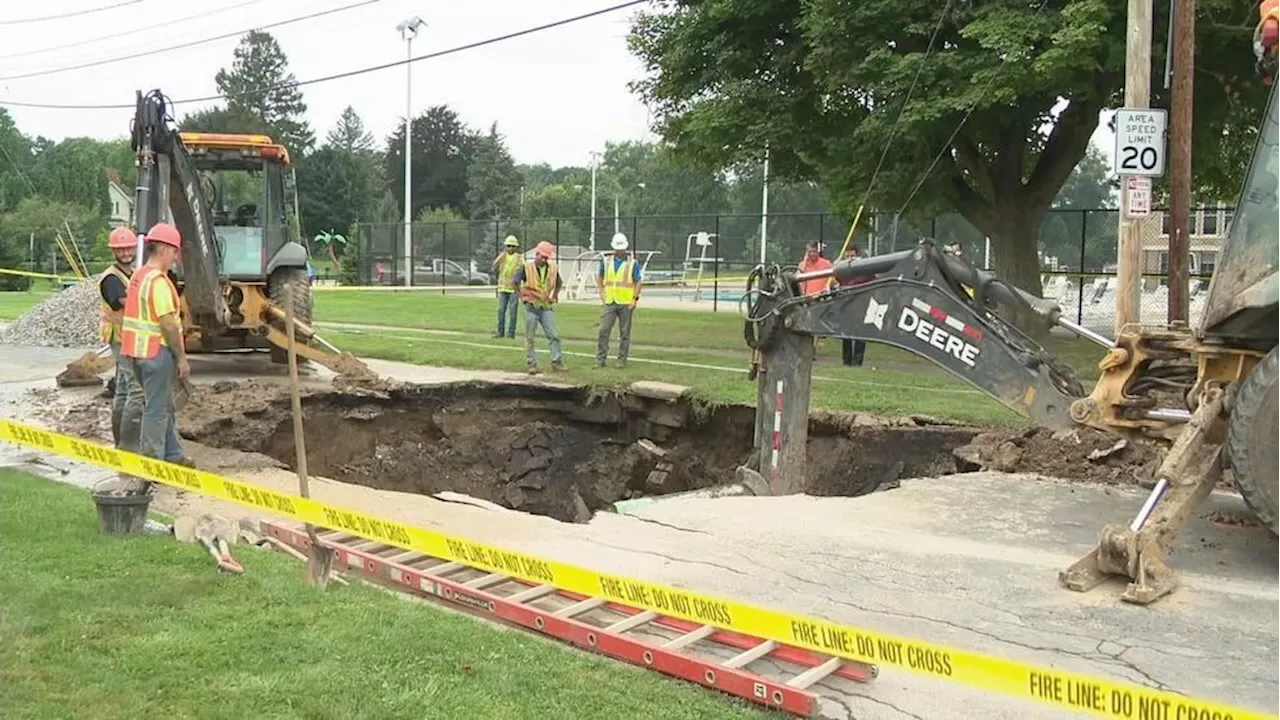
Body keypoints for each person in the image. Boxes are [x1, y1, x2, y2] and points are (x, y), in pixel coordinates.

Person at [118, 222, 193, 484]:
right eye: (175, 251)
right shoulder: (159, 282)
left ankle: (173, 456)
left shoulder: (139, 276)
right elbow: (168, 323)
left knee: (163, 406)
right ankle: (152, 466)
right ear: (164, 249)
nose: (176, 257)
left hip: (136, 354)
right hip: (156, 353)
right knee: (156, 411)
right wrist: (182, 358)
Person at [98, 226, 138, 447]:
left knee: (123, 389)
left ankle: (122, 442)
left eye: (128, 248)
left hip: (129, 337)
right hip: (120, 338)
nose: (125, 253)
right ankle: (128, 446)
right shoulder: (111, 279)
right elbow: (127, 302)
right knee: (133, 390)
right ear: (114, 251)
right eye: (120, 250)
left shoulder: (130, 273)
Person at [511, 241, 564, 375]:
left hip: (546, 306)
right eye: (542, 257)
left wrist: (555, 296)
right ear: (537, 254)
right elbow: (515, 281)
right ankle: (532, 364)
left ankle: (557, 362)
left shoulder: (552, 269)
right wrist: (520, 296)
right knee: (530, 337)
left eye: (546, 257)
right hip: (531, 306)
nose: (544, 259)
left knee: (554, 335)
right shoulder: (526, 268)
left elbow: (559, 283)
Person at [595, 232, 642, 368]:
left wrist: (634, 299)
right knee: (603, 330)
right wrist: (601, 292)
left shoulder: (632, 263)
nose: (620, 251)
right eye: (618, 249)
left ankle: (621, 359)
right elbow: (600, 276)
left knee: (624, 333)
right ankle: (600, 359)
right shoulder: (606, 261)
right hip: (610, 301)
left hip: (626, 302)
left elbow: (638, 281)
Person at [837, 245, 875, 367]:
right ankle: (846, 361)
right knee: (846, 334)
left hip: (860, 304)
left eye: (852, 256)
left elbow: (871, 279)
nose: (850, 259)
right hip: (846, 304)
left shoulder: (864, 269)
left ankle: (858, 361)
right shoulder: (842, 269)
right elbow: (835, 281)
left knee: (859, 334)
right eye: (847, 256)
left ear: (857, 255)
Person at [491, 235, 523, 338]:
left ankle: (511, 333)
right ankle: (500, 332)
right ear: (505, 246)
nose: (511, 248)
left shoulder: (519, 258)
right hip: (503, 287)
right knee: (501, 310)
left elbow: (523, 269)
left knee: (513, 312)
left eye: (513, 246)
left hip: (514, 289)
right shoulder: (502, 256)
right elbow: (494, 266)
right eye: (508, 246)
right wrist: (500, 257)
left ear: (516, 247)